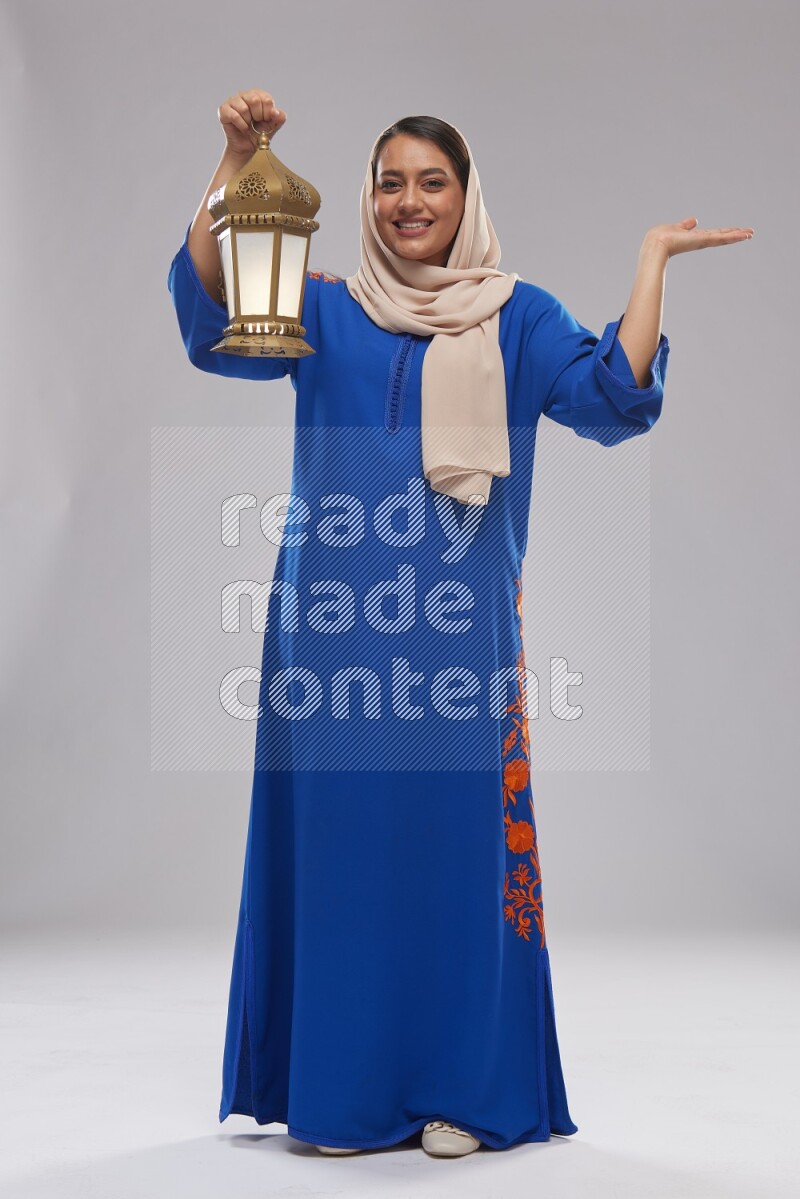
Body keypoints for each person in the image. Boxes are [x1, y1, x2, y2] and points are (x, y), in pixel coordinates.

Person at [167, 89, 753, 1158]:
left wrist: (648, 262)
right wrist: (235, 160)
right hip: (331, 632)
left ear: (464, 193)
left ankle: (460, 1093)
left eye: (429, 180)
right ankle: (337, 1090)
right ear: (367, 196)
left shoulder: (514, 313)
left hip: (456, 642)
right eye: (389, 181)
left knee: (452, 853)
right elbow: (215, 321)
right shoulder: (326, 305)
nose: (407, 200)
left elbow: (613, 397)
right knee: (344, 854)